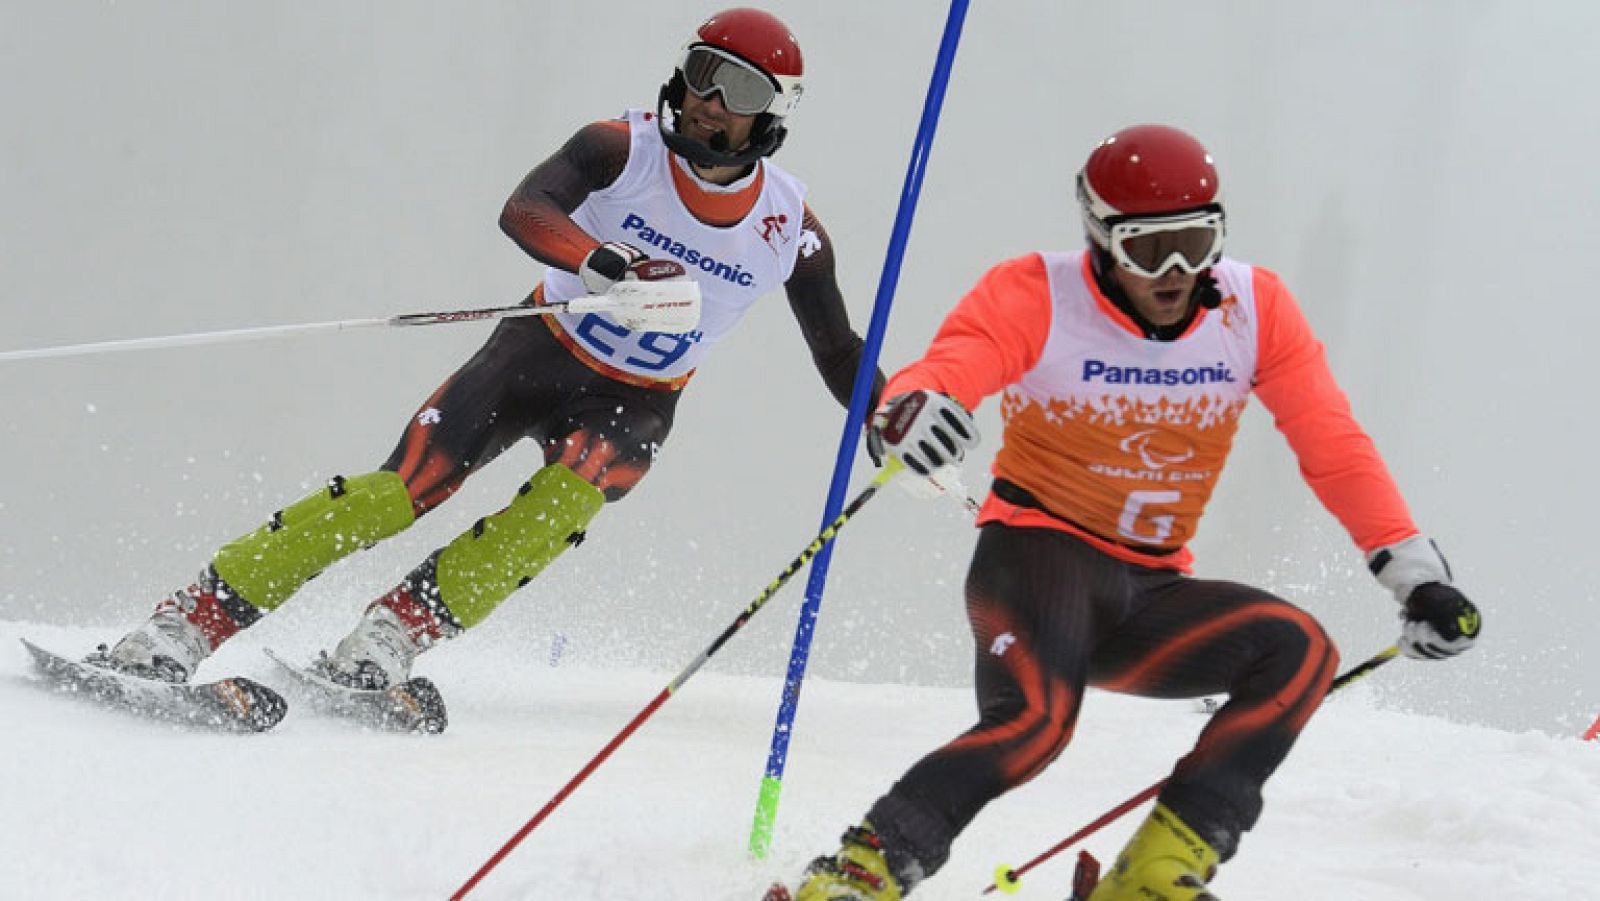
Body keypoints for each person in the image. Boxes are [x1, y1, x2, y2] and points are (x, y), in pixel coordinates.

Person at [91, 7, 881, 725]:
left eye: (736, 85)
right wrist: (606, 265)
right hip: (536, 356)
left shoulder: (789, 229)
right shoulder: (620, 148)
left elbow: (839, 350)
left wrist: (891, 412)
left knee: (549, 519)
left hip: (637, 402)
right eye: (702, 70)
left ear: (771, 113)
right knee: (397, 492)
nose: (708, 97)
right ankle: (180, 626)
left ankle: (386, 640)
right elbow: (527, 207)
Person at [791, 124, 1482, 899]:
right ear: (1101, 239)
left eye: (1197, 242)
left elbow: (1331, 440)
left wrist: (1413, 571)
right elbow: (955, 361)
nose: (1177, 271)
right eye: (1150, 249)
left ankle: (1153, 874)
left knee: (1298, 648)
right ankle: (862, 873)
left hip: (1147, 593)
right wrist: (913, 405)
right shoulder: (1039, 291)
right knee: (1038, 721)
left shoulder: (1254, 309)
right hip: (1035, 559)